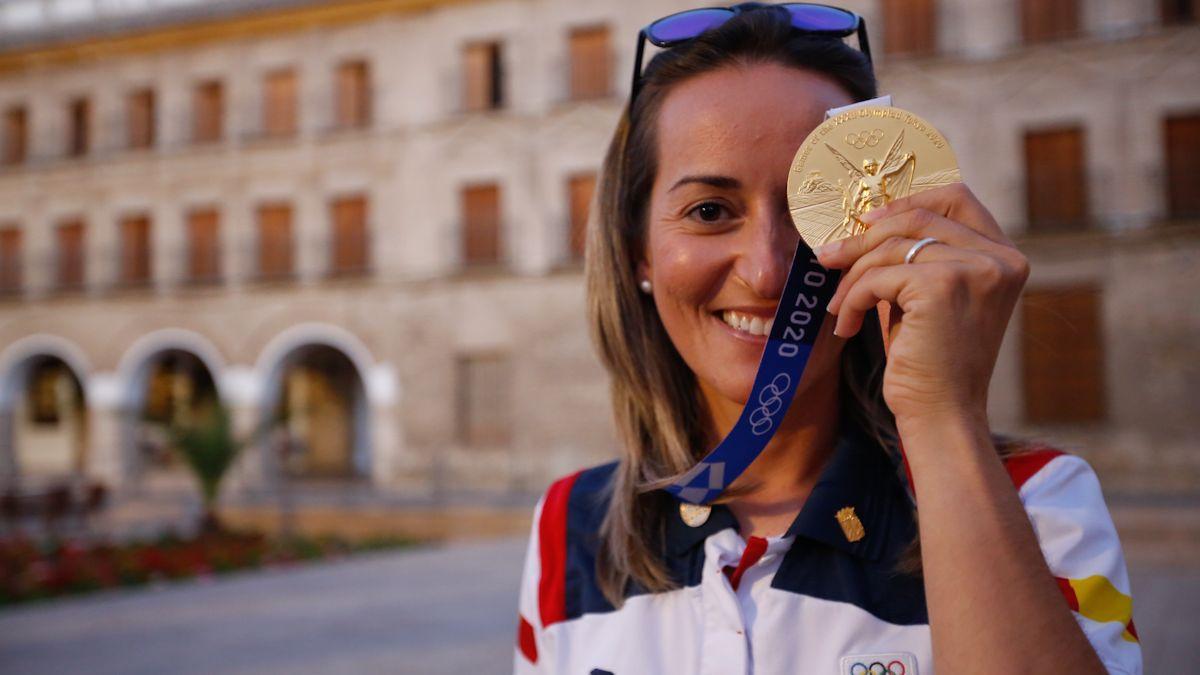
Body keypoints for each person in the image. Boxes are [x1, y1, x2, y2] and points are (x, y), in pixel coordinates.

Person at [513, 4, 1142, 674]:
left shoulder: (1038, 501)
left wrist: (942, 418)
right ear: (637, 250)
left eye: (816, 208)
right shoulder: (570, 527)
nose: (767, 270)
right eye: (709, 211)